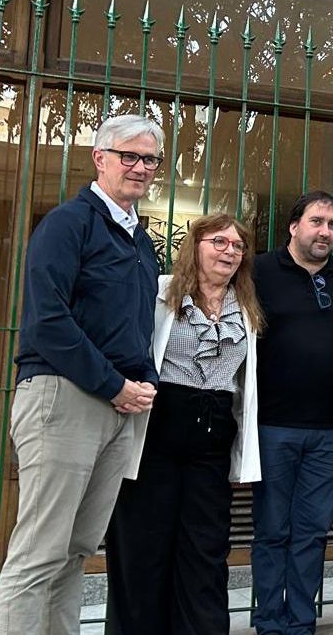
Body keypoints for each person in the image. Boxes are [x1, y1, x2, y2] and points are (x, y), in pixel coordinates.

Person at [0, 114, 163, 635]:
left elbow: (137, 322)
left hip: (118, 407)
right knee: (40, 549)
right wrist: (114, 383)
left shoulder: (140, 239)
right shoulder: (70, 223)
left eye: (149, 160)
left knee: (75, 549)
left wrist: (141, 380)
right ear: (100, 158)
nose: (139, 167)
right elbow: (47, 321)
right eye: (128, 156)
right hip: (63, 397)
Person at [106, 214, 264, 634]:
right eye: (219, 242)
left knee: (205, 552)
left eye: (237, 246)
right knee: (143, 547)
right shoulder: (160, 292)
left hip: (211, 440)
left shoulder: (245, 307)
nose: (229, 251)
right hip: (156, 432)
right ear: (195, 246)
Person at [251, 191, 333, 635]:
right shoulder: (260, 271)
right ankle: (267, 622)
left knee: (312, 533)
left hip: (328, 430)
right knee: (271, 530)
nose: (325, 231)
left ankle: (300, 623)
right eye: (317, 221)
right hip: (272, 427)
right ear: (293, 226)